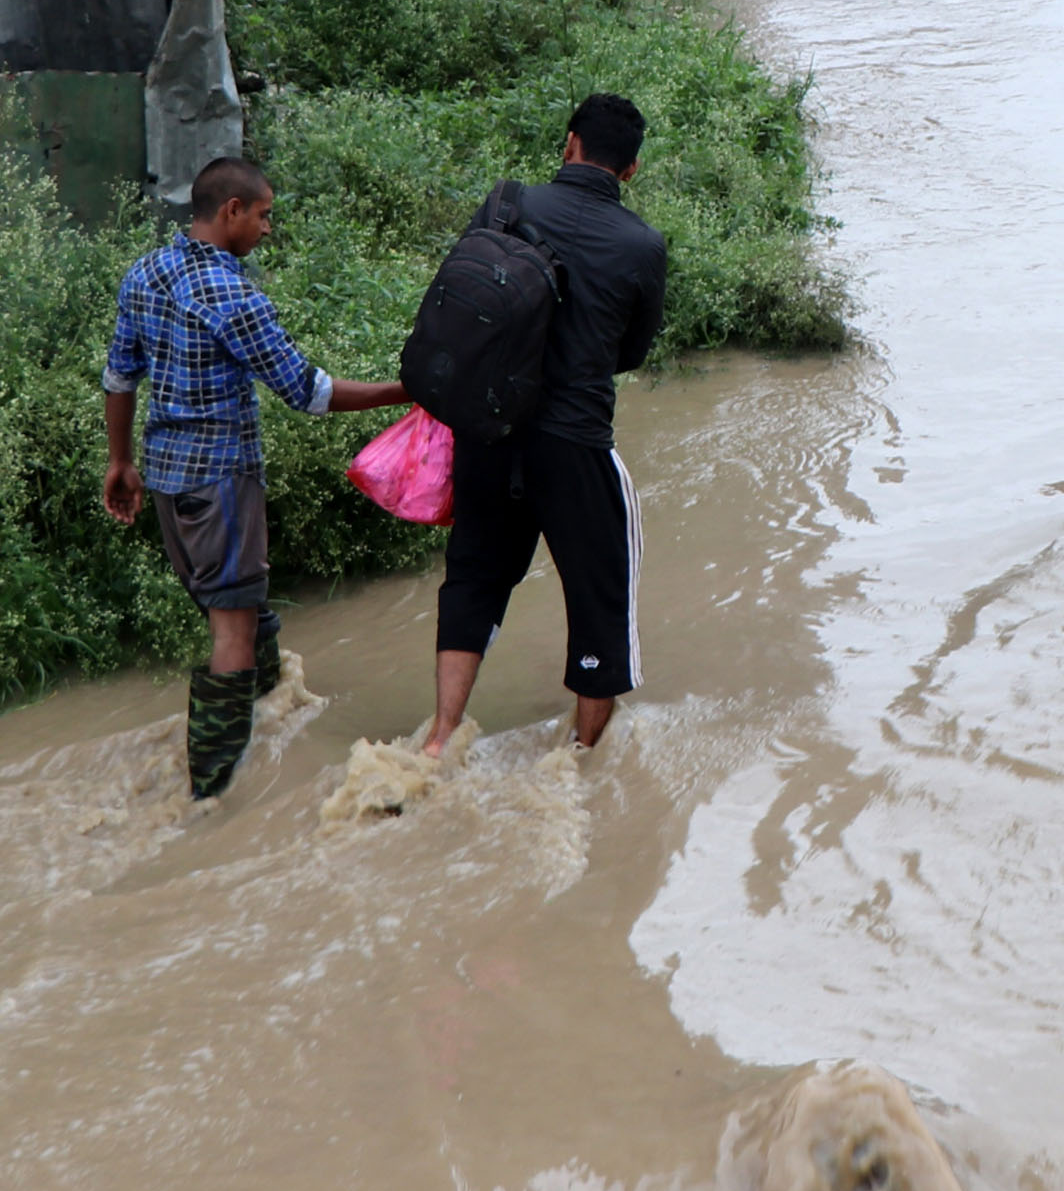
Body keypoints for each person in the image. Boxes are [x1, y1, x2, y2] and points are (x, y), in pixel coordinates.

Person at [103, 155, 411, 801]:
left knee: (239, 603)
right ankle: (213, 792)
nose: (269, 228)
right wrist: (406, 390)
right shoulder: (232, 294)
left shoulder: (145, 271)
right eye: (265, 214)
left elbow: (120, 376)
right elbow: (308, 391)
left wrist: (120, 461)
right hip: (222, 481)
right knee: (232, 629)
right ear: (232, 211)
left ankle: (274, 709)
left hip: (166, 479)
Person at [424, 92, 671, 756]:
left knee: (475, 576)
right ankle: (584, 758)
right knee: (600, 594)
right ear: (632, 171)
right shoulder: (642, 245)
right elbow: (633, 352)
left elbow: (465, 302)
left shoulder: (509, 204)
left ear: (568, 145)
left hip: (487, 432)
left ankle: (442, 735)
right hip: (575, 444)